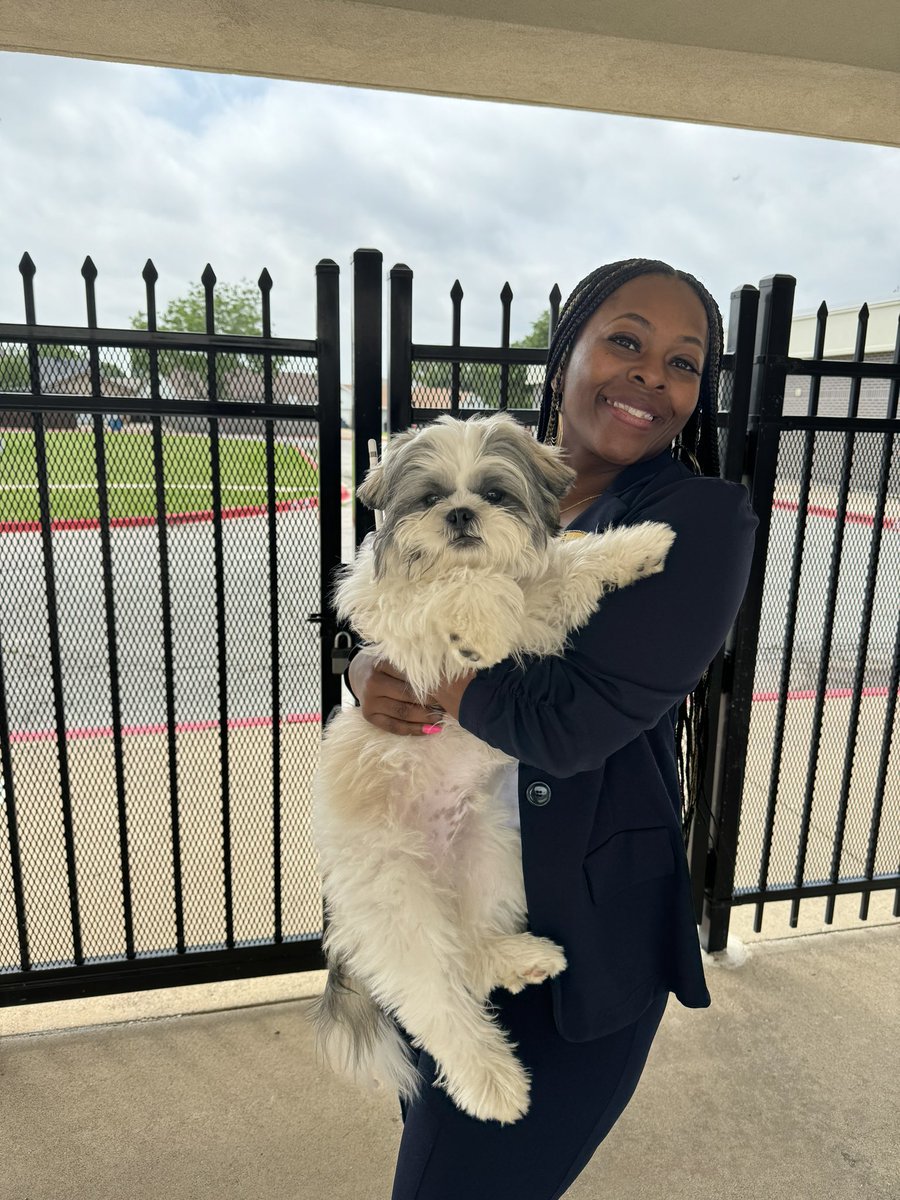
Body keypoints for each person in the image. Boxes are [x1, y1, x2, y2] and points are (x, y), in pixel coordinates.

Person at [346, 259, 758, 1200]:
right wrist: (366, 664)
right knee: (439, 1151)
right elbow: (371, 590)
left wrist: (426, 664)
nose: (652, 374)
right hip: (437, 903)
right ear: (566, 350)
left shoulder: (697, 517)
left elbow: (569, 727)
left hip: (581, 942)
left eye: (683, 362)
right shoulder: (494, 468)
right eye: (626, 339)